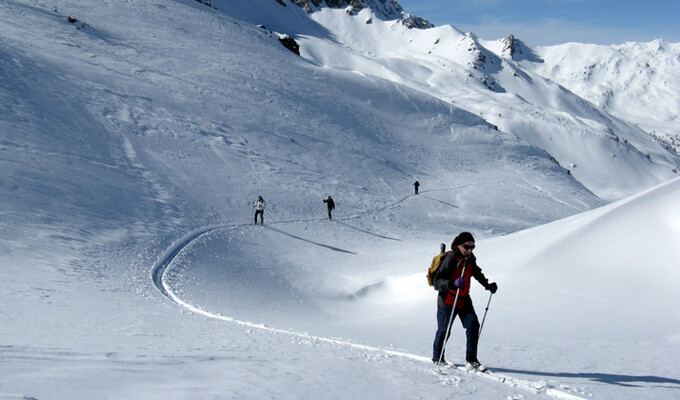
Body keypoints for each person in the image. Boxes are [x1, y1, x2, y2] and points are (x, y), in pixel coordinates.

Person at [431, 232, 497, 371]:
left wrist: (487, 285)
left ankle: (471, 360)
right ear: (459, 245)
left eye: (472, 247)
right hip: (447, 299)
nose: (470, 250)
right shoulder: (451, 258)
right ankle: (438, 358)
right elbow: (438, 282)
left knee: (473, 325)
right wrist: (453, 283)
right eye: (467, 247)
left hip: (463, 298)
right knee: (445, 330)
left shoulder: (469, 258)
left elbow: (476, 272)